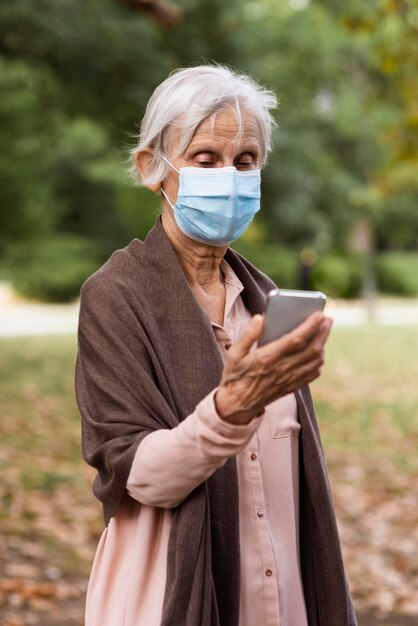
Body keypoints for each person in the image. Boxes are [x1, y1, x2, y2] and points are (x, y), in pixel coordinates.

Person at [75, 64, 357, 626]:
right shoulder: (115, 295)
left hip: (280, 601)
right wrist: (232, 409)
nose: (229, 175)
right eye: (205, 159)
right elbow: (140, 476)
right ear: (153, 167)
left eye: (245, 161)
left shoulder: (265, 301)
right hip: (165, 596)